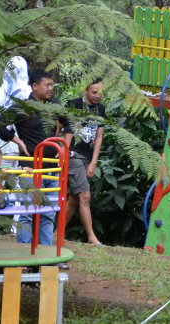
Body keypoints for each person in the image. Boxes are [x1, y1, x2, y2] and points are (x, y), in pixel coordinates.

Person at [0, 67, 72, 246]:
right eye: (47, 85)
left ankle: (45, 254)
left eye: (52, 84)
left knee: (48, 213)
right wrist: (18, 141)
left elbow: (69, 123)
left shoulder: (54, 105)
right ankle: (24, 254)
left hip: (53, 166)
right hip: (31, 167)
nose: (51, 88)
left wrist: (64, 149)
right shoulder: (23, 107)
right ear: (34, 86)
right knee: (27, 212)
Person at [62, 78, 105, 246]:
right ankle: (92, 238)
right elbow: (60, 125)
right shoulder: (73, 105)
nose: (98, 96)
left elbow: (99, 137)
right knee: (85, 196)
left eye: (100, 92)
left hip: (87, 158)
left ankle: (56, 234)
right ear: (85, 91)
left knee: (74, 199)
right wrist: (60, 149)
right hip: (73, 155)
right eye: (94, 92)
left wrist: (94, 162)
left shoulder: (100, 109)